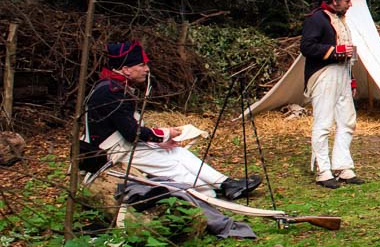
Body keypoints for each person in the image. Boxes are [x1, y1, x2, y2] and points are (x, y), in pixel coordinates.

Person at [81, 41, 261, 204]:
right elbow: (131, 133)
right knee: (171, 165)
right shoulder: (110, 91)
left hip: (122, 145)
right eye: (141, 65)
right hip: (110, 152)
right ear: (126, 69)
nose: (146, 69)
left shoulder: (114, 87)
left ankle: (226, 184)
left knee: (177, 152)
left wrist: (162, 140)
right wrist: (165, 134)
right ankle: (208, 195)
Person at [301, 0, 365, 189]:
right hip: (324, 75)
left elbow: (346, 52)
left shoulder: (341, 19)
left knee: (347, 120)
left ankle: (342, 166)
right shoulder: (316, 18)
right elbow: (307, 47)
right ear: (335, 0)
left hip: (342, 75)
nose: (349, 5)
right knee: (324, 123)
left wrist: (351, 79)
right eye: (346, 1)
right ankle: (323, 170)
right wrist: (334, 51)